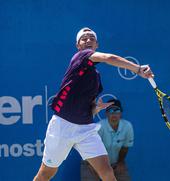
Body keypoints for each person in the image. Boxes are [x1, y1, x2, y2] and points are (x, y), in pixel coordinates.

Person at [33, 27, 153, 181]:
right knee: (45, 174)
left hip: (85, 129)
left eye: (92, 38)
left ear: (97, 44)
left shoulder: (95, 77)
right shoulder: (81, 56)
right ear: (78, 46)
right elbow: (108, 57)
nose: (88, 40)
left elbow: (89, 108)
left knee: (107, 172)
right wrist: (137, 69)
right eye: (84, 38)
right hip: (62, 126)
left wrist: (96, 108)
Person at [81, 99, 133, 181]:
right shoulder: (99, 127)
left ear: (121, 113)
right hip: (92, 163)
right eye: (111, 110)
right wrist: (91, 165)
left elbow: (125, 147)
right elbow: (89, 147)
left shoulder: (127, 126)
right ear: (106, 113)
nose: (114, 114)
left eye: (117, 110)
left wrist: (120, 162)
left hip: (115, 163)